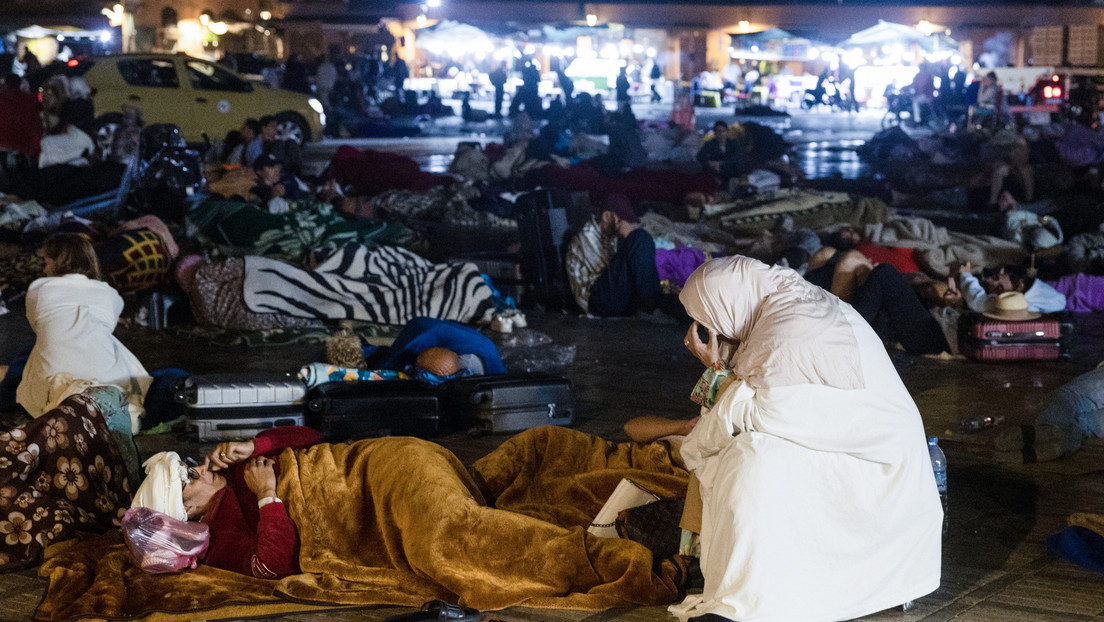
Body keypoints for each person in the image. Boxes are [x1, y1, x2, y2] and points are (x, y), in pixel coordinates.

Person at [667, 255, 942, 622]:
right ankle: (744, 589)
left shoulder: (789, 324)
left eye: (708, 318)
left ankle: (743, 600)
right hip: (865, 455)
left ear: (730, 305)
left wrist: (717, 373)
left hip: (880, 470)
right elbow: (748, 404)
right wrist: (719, 373)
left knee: (749, 458)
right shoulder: (784, 307)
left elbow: (765, 410)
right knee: (747, 451)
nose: (703, 328)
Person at [17, 233, 152, 420]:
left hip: (50, 393)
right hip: (109, 386)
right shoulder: (111, 294)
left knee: (34, 351)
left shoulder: (39, 289)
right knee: (107, 342)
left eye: (47, 263)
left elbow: (38, 326)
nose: (45, 270)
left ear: (59, 262)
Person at [565, 194, 661, 318]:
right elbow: (608, 274)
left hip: (610, 296)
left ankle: (653, 305)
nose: (625, 225)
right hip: (595, 303)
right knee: (639, 238)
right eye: (622, 221)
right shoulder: (585, 238)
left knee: (640, 239)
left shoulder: (611, 236)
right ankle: (651, 308)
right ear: (606, 216)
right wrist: (629, 237)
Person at [0, 73, 42, 163]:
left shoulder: (2, 98)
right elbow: (36, 123)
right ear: (19, 84)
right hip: (24, 146)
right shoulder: (29, 99)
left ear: (6, 84)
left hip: (4, 144)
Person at [696, 120, 741, 186]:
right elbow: (700, 156)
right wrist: (710, 163)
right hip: (715, 172)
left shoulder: (733, 144)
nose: (721, 134)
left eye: (723, 131)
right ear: (715, 133)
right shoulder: (710, 144)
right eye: (719, 131)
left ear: (727, 132)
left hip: (731, 172)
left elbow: (736, 157)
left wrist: (721, 163)